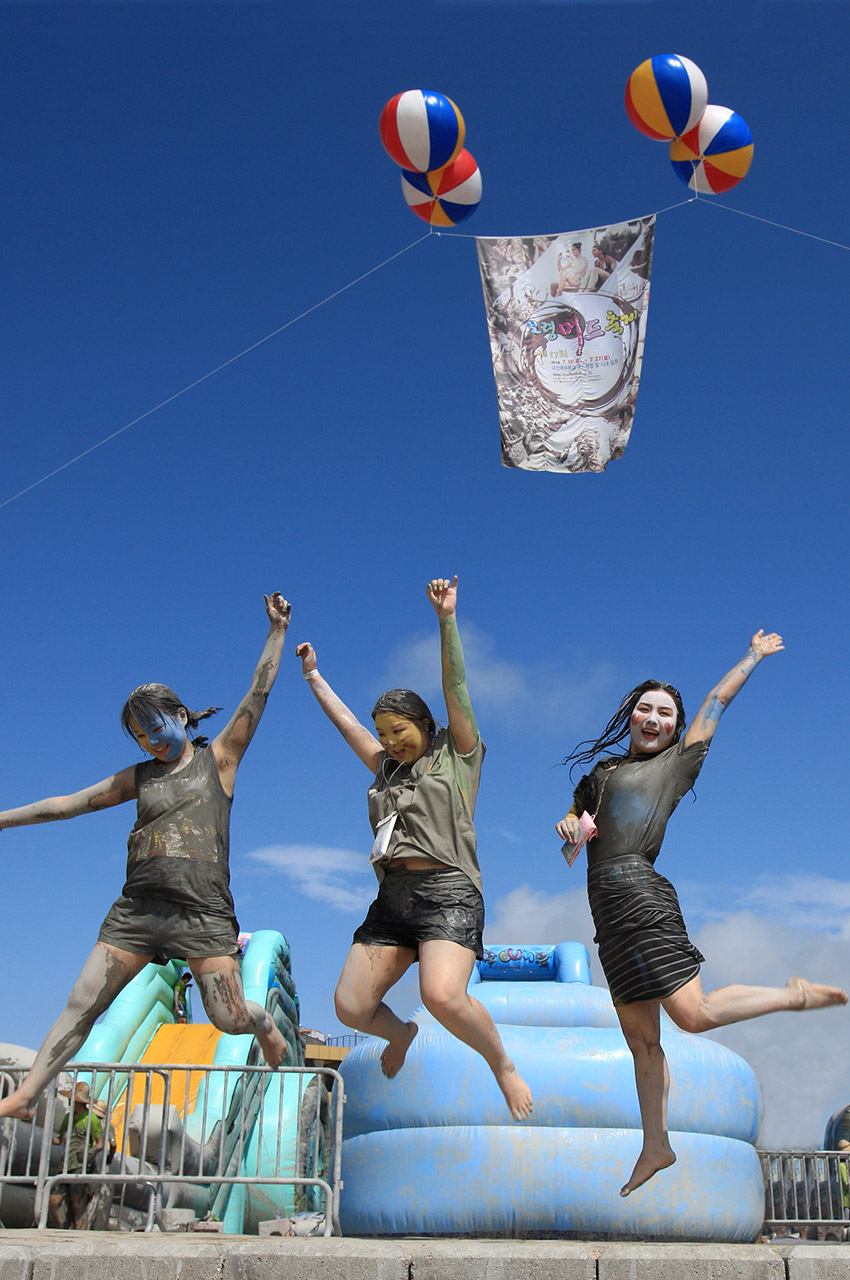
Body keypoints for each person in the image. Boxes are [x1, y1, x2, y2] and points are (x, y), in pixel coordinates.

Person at [556, 630, 847, 1197]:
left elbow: (716, 703)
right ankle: (656, 1144)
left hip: (641, 895)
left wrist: (753, 657)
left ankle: (795, 994)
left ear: (674, 725)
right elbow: (577, 827)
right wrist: (567, 825)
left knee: (693, 1014)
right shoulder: (600, 775)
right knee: (642, 1041)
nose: (653, 718)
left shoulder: (675, 765)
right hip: (607, 914)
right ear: (630, 714)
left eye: (665, 712)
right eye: (644, 708)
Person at [0, 593, 291, 1121]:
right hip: (138, 908)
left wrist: (276, 632)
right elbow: (66, 805)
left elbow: (258, 693)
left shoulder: (218, 761)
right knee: (83, 1001)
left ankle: (263, 1024)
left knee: (226, 1018)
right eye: (141, 736)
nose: (151, 741)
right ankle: (25, 1096)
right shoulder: (139, 778)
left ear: (181, 716)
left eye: (157, 728)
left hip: (201, 910)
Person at [295, 577, 532, 1121]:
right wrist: (312, 676)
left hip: (448, 890)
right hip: (393, 898)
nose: (391, 740)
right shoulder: (386, 768)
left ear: (425, 724)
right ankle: (400, 1034)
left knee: (442, 997)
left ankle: (501, 1064)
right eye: (385, 732)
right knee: (351, 1006)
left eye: (400, 729)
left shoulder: (459, 755)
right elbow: (348, 725)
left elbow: (457, 686)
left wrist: (446, 619)